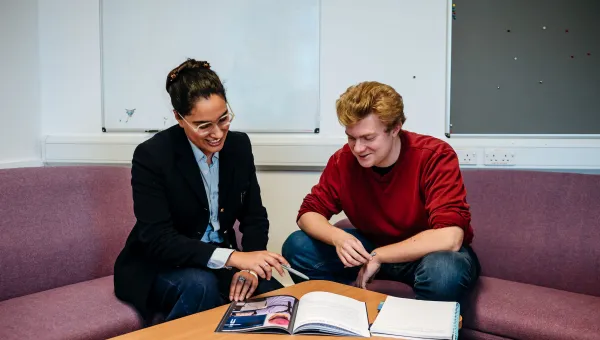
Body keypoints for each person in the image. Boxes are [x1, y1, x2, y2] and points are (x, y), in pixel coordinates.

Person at [114, 58, 289, 323]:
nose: (218, 133)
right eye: (204, 125)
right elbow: (158, 238)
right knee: (201, 286)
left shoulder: (239, 146)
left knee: (273, 296)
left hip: (217, 260)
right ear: (179, 118)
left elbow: (254, 216)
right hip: (160, 265)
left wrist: (251, 268)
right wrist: (235, 257)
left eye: (224, 119)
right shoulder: (152, 156)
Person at [282, 81, 480, 303]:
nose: (357, 148)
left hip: (428, 254)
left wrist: (380, 256)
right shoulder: (342, 160)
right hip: (371, 248)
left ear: (395, 129)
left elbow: (450, 237)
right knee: (297, 245)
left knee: (444, 271)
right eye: (351, 137)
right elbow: (308, 213)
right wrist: (338, 237)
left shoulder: (434, 155)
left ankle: (414, 330)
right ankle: (339, 312)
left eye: (368, 138)